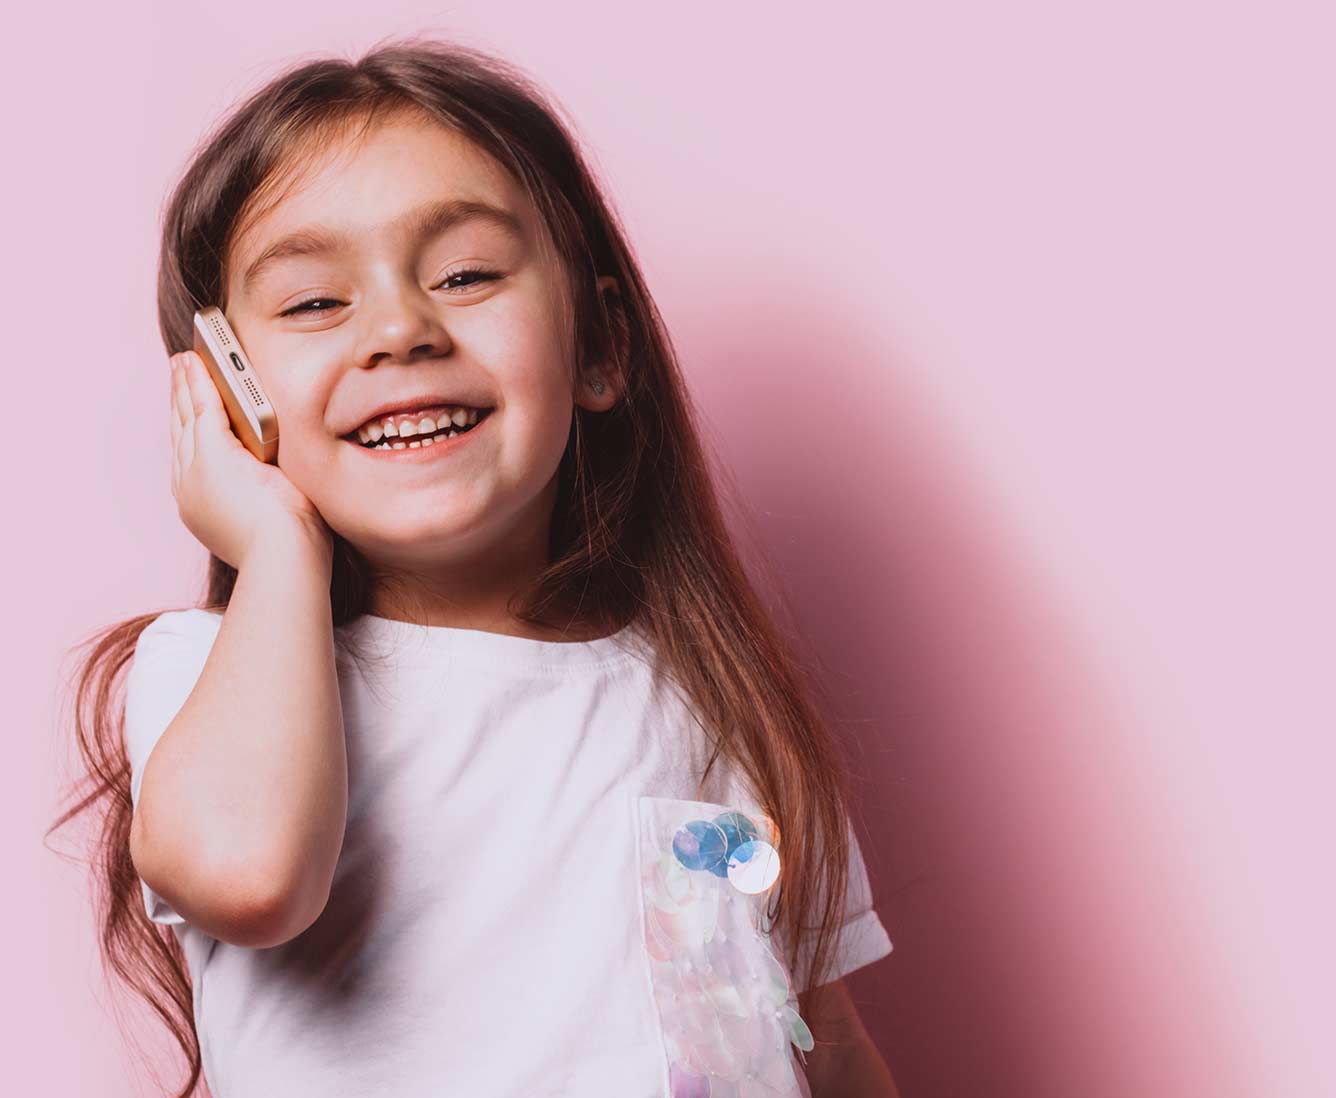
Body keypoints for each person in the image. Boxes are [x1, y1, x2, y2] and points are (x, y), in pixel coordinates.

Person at [52, 34, 897, 1098]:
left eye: (465, 275)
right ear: (227, 396)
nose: (400, 330)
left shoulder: (719, 698)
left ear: (599, 347)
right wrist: (275, 546)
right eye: (314, 302)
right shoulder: (212, 675)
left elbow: (823, 1042)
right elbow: (248, 876)